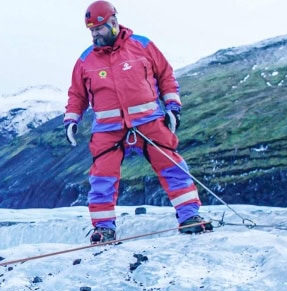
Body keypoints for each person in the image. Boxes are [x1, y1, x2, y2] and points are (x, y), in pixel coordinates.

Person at [63, 1, 213, 243]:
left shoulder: (143, 45)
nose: (94, 34)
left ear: (113, 23)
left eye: (98, 28)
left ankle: (190, 217)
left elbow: (166, 76)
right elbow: (77, 95)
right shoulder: (85, 61)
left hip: (149, 123)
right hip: (108, 130)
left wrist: (173, 108)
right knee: (102, 180)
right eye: (91, 30)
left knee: (173, 168)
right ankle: (104, 230)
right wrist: (71, 119)